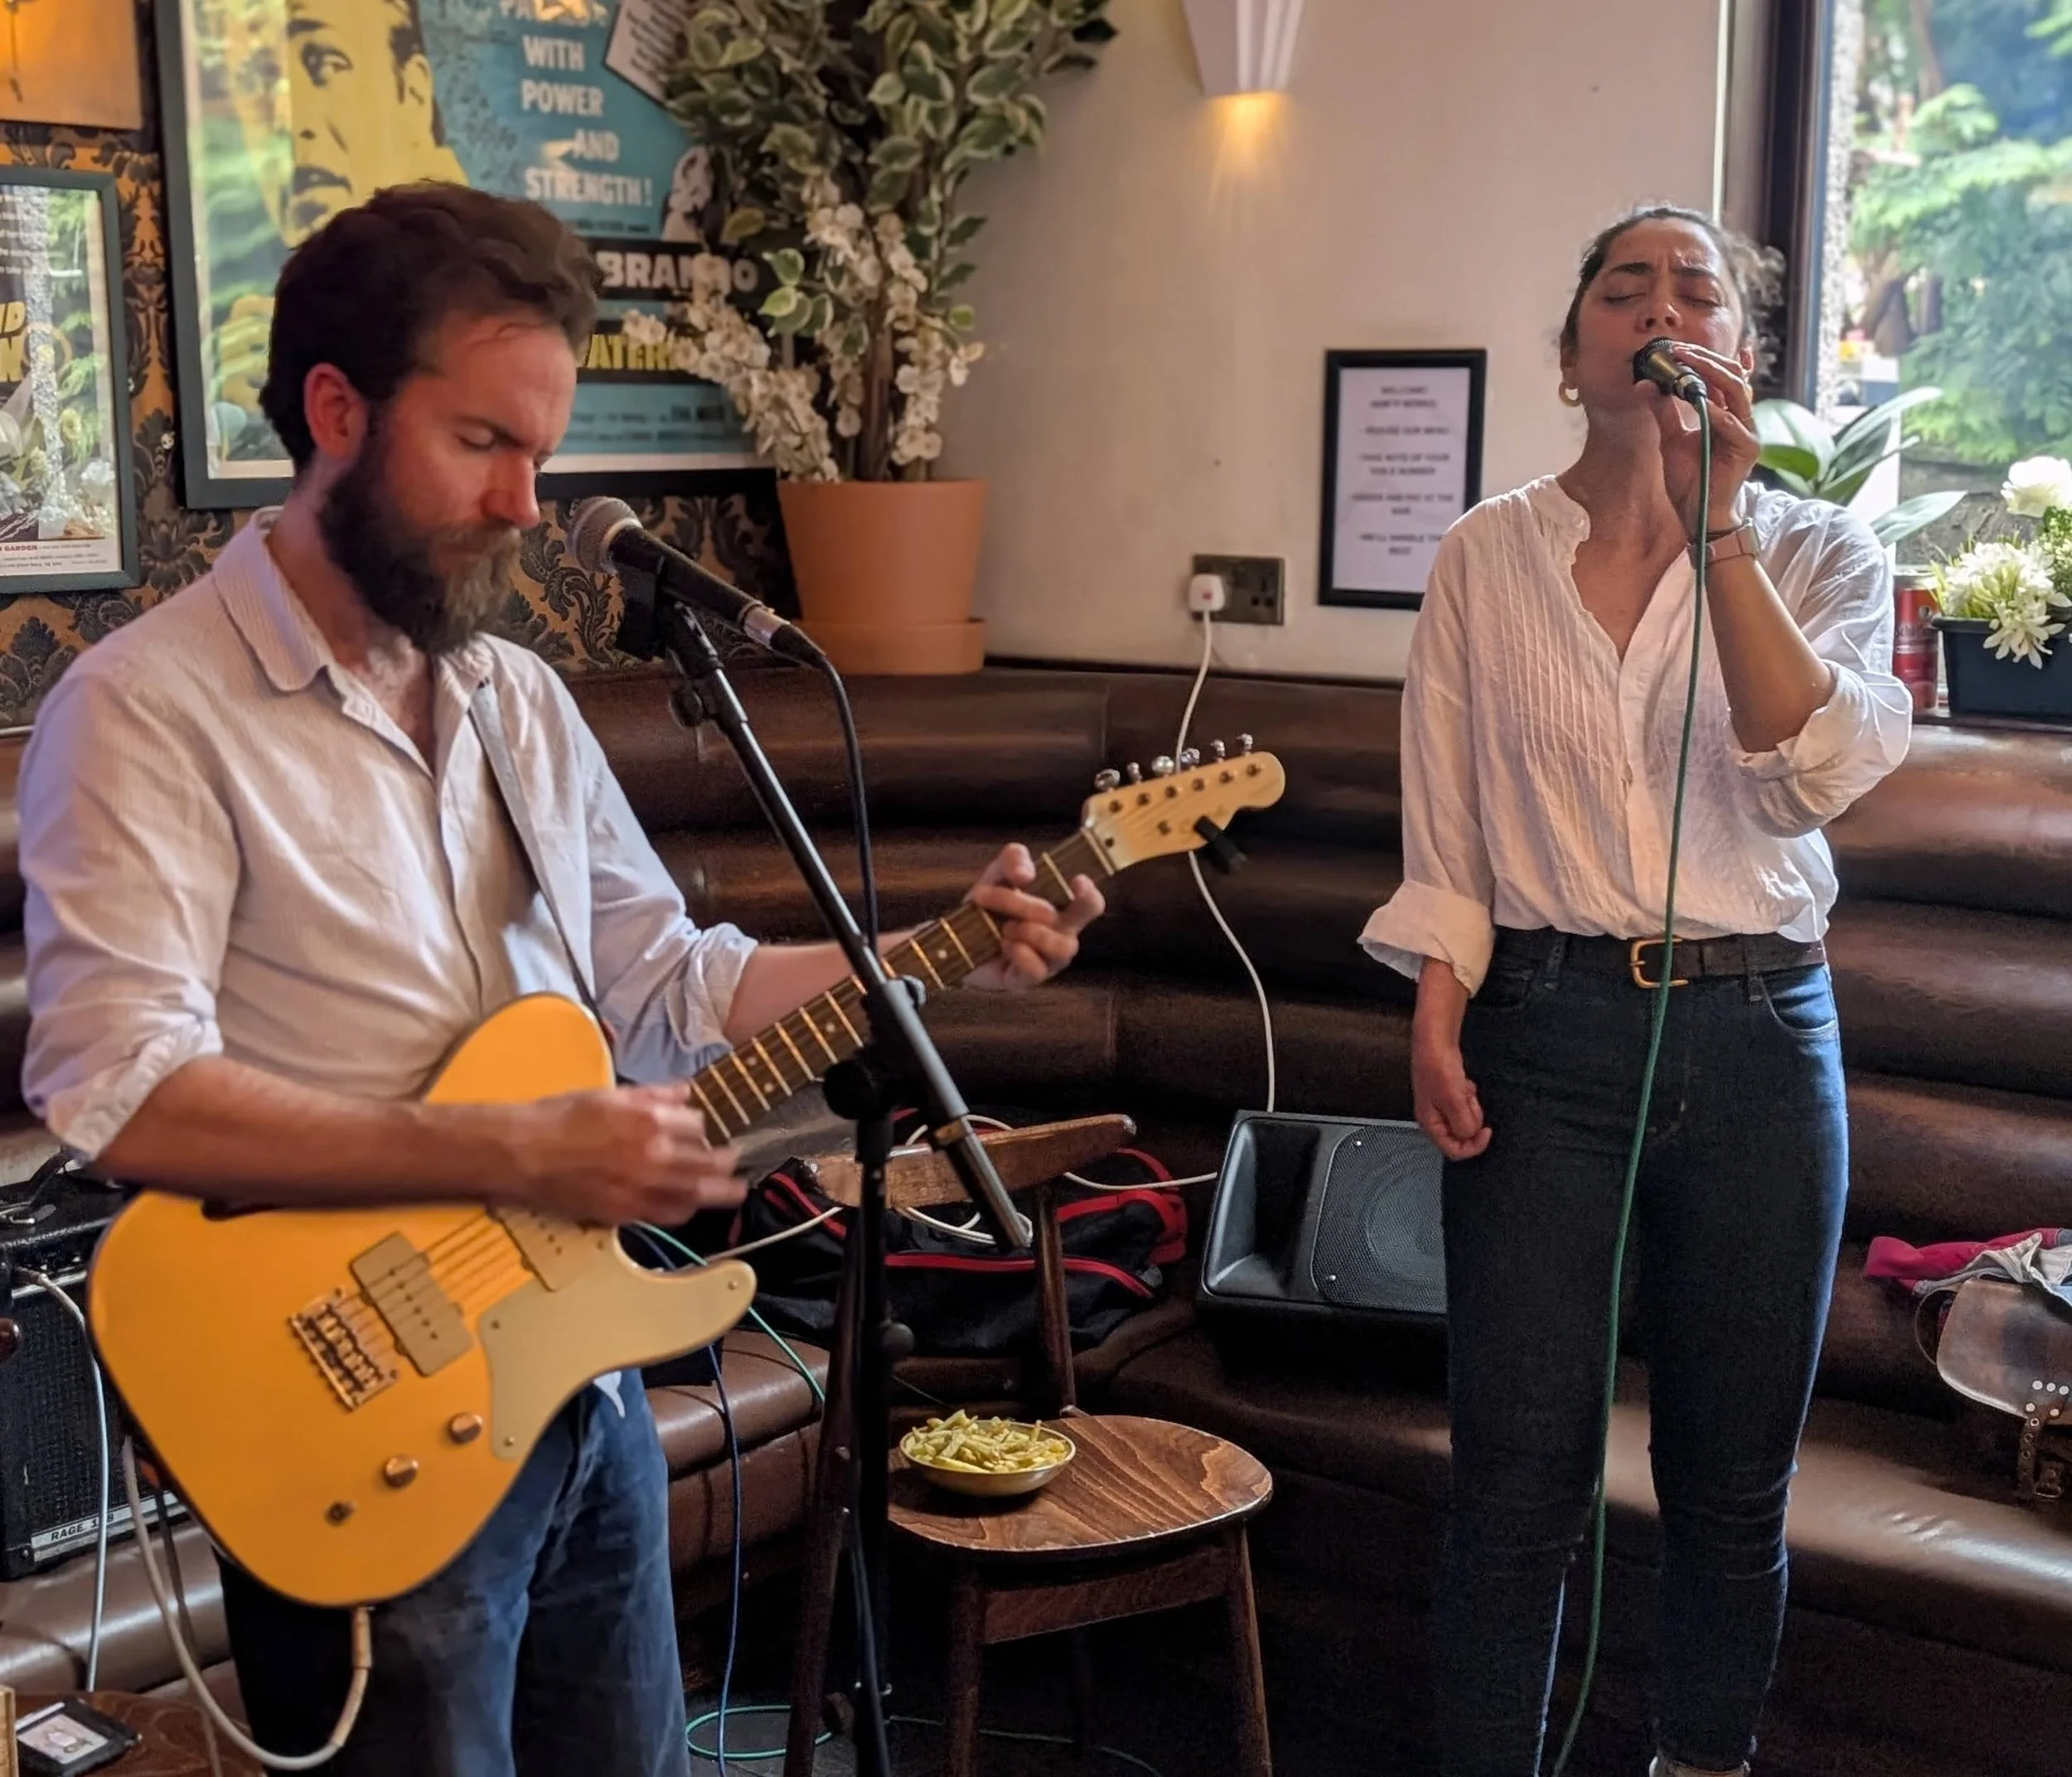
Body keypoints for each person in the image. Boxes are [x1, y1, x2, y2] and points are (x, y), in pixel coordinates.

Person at [17, 182, 1104, 1777]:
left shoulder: (515, 696)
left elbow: (665, 975)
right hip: (354, 1393)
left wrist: (939, 952)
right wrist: (518, 1148)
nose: (531, 503)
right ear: (336, 409)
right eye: (482, 444)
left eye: (543, 450)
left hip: (571, 1373)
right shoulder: (143, 711)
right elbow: (124, 1092)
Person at [1359, 204, 1910, 1777]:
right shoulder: (1484, 552)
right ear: (1569, 353)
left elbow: (1804, 774)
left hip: (1758, 1039)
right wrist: (1436, 1009)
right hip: (1542, 1036)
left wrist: (1722, 523)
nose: (1658, 306)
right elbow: (1449, 823)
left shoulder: (1822, 549)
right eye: (1625, 285)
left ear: (1742, 352)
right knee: (1515, 1478)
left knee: (1730, 1485)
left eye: (1696, 288)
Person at [215, 0, 468, 423]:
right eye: (258, 78)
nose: (290, 120)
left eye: (327, 65)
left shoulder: (481, 303)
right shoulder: (235, 323)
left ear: (413, 94)